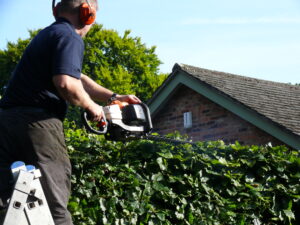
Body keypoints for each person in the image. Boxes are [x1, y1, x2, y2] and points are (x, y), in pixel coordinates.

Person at [0, 0, 140, 224]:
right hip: (39, 123)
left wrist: (113, 97)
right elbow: (66, 83)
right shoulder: (70, 36)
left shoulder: (49, 34)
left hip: (6, 122)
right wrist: (91, 106)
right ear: (88, 14)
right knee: (54, 204)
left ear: (56, 10)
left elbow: (78, 78)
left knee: (8, 198)